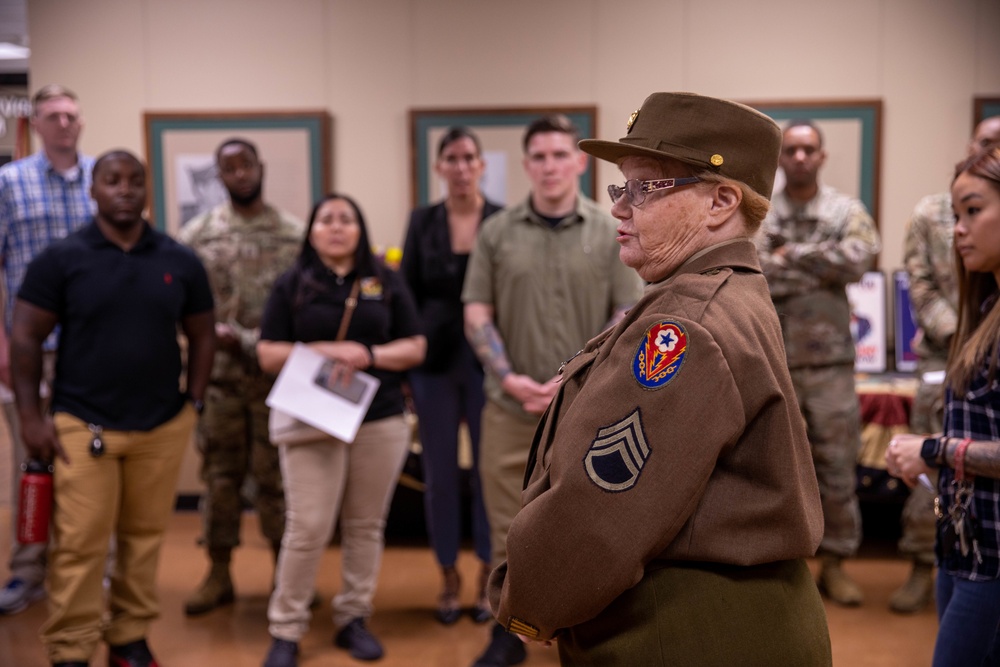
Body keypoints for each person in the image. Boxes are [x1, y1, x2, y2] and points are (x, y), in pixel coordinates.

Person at [487, 92, 830, 666]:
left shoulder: (684, 326)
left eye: (646, 187)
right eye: (623, 187)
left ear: (721, 201)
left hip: (687, 634)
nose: (620, 206)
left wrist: (528, 600)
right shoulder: (727, 290)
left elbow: (597, 512)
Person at [9, 150, 215, 667]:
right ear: (93, 191)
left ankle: (128, 638)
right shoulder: (62, 257)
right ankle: (72, 649)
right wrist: (32, 419)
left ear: (147, 190)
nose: (124, 189)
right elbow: (26, 337)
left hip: (161, 425)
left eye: (134, 181)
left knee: (143, 540)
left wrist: (193, 399)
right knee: (80, 546)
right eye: (112, 180)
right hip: (82, 424)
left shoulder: (178, 258)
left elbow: (203, 331)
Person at [462, 115, 643, 667]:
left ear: (580, 162)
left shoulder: (609, 226)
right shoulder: (495, 233)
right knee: (505, 522)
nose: (549, 166)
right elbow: (475, 312)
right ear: (525, 166)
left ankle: (576, 626)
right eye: (538, 157)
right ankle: (507, 630)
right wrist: (509, 377)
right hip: (510, 407)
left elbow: (628, 309)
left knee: (579, 522)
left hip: (585, 411)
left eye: (560, 155)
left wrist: (575, 375)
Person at [258, 193, 425, 667]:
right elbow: (267, 352)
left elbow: (415, 345)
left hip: (381, 419)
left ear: (360, 229)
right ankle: (286, 629)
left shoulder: (384, 280)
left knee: (365, 526)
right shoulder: (292, 283)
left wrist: (366, 354)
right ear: (310, 230)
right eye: (326, 219)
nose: (336, 227)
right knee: (307, 527)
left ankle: (353, 617)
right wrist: (322, 351)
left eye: (346, 219)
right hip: (312, 420)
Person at [756, 119, 881, 606]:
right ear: (781, 157)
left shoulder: (845, 208)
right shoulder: (761, 210)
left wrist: (791, 254)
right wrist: (821, 264)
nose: (801, 158)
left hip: (830, 366)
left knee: (835, 467)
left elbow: (861, 259)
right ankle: (785, 567)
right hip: (773, 362)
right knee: (774, 467)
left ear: (822, 156)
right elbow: (756, 266)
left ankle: (836, 564)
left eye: (809, 150)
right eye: (792, 150)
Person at [178, 138, 304, 616]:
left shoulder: (293, 234)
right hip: (221, 380)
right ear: (219, 176)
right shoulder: (196, 236)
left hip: (278, 383)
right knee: (221, 480)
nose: (239, 174)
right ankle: (218, 573)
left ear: (259, 167)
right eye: (228, 168)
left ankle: (282, 575)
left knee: (278, 482)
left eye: (245, 164)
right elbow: (182, 307)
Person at [887, 143, 1000, 667]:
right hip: (963, 547)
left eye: (974, 211)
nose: (958, 229)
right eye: (956, 214)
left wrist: (933, 448)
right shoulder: (982, 311)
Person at [0, 84, 95, 616]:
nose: (63, 123)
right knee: (30, 459)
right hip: (28, 349)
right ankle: (27, 571)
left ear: (82, 122)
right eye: (52, 116)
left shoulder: (105, 180)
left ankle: (93, 567)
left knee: (93, 458)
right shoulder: (8, 184)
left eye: (71, 115)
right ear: (36, 124)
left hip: (92, 351)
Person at [401, 127, 501, 625]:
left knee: (488, 473)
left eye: (469, 158)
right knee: (439, 475)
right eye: (451, 159)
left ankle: (487, 573)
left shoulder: (503, 220)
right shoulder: (422, 222)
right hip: (432, 364)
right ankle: (446, 573)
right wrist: (406, 366)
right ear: (439, 167)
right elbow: (408, 295)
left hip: (489, 362)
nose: (461, 167)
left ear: (481, 165)